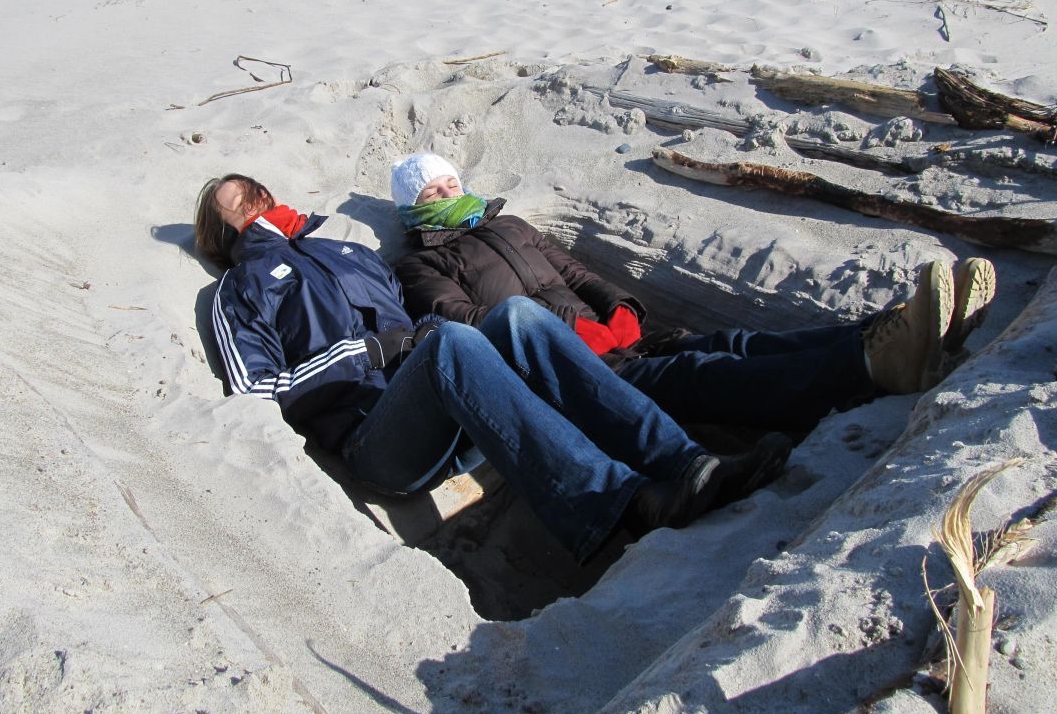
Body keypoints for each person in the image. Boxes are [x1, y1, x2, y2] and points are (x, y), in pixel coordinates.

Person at [194, 174, 792, 564]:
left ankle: (686, 463)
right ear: (221, 230)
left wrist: (417, 334)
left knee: (517, 317)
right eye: (238, 204)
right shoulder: (239, 288)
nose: (256, 204)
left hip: (449, 398)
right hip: (377, 437)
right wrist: (373, 353)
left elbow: (414, 319)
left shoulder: (343, 249)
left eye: (259, 193)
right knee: (452, 344)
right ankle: (617, 506)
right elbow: (254, 389)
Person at [389, 153, 997, 451]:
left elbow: (575, 268)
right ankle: (872, 367)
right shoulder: (420, 262)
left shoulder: (511, 223)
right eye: (434, 189)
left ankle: (887, 331)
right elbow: (470, 321)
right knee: (703, 374)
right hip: (579, 367)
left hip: (619, 334)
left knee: (736, 343)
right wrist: (576, 341)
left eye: (451, 181)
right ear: (413, 206)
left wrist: (621, 306)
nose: (450, 191)